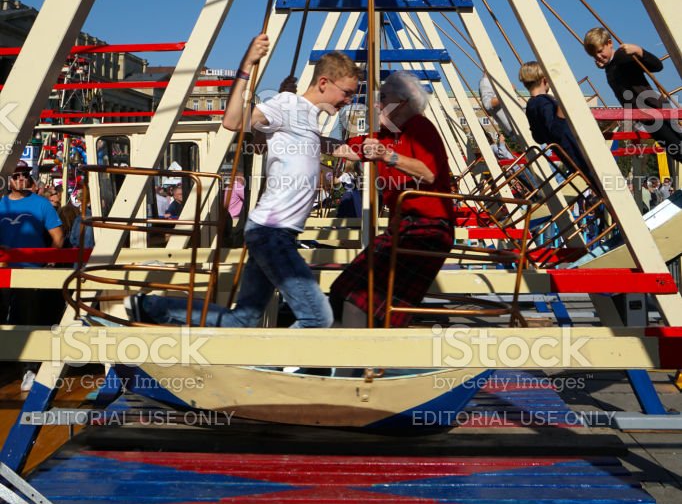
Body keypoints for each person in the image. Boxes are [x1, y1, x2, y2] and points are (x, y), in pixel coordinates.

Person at [131, 33, 359, 329]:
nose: (349, 100)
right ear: (325, 83)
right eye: (347, 93)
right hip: (273, 232)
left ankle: (151, 306)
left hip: (272, 232)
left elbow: (278, 143)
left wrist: (364, 152)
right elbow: (234, 122)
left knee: (245, 318)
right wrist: (247, 65)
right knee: (318, 317)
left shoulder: (302, 116)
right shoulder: (288, 104)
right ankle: (284, 370)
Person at [329, 71, 454, 328]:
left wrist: (388, 157)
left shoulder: (420, 128)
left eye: (383, 98)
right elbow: (347, 150)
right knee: (344, 289)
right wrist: (300, 139)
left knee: (359, 297)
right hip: (403, 226)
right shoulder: (385, 135)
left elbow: (429, 173)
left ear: (404, 102)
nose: (376, 104)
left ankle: (360, 362)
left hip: (428, 227)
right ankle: (355, 358)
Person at [0, 167, 64, 392]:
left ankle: (29, 368)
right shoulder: (0, 204)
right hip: (3, 271)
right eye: (16, 175)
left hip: (30, 271)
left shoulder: (41, 204)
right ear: (8, 179)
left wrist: (50, 260)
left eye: (24, 175)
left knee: (27, 318)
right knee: (6, 317)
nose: (21, 178)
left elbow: (57, 236)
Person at [583, 27, 682, 169]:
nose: (597, 56)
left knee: (677, 147)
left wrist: (639, 51)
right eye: (593, 55)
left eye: (599, 51)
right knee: (675, 150)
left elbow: (657, 66)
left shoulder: (623, 57)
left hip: (655, 109)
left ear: (609, 43)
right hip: (646, 116)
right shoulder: (610, 66)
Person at [518, 61, 593, 185]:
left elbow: (538, 138)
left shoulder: (530, 105)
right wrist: (561, 109)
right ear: (545, 80)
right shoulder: (544, 102)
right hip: (575, 151)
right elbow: (556, 131)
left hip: (566, 157)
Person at [479, 72, 514, 137]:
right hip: (514, 129)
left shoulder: (494, 80)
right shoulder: (486, 82)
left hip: (516, 127)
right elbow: (487, 105)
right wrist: (508, 92)